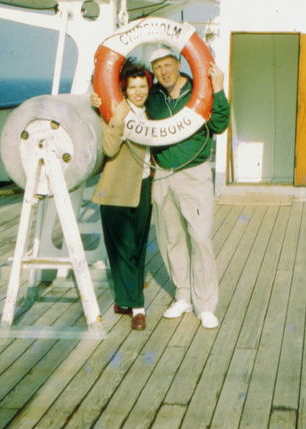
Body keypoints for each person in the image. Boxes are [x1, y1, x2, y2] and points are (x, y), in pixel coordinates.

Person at [147, 46, 230, 329]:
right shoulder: (153, 97)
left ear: (179, 63)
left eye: (168, 65)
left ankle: (206, 305)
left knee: (201, 238)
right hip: (161, 173)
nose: (164, 72)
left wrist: (218, 90)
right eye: (158, 67)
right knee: (171, 238)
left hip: (193, 174)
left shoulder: (199, 90)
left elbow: (219, 124)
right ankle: (182, 295)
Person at [91, 60, 153, 331]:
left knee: (136, 248)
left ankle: (121, 300)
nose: (138, 91)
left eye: (142, 86)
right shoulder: (117, 110)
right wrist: (116, 119)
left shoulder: (151, 113)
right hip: (116, 188)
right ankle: (138, 308)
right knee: (124, 248)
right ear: (124, 90)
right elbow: (109, 149)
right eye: (133, 87)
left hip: (143, 186)